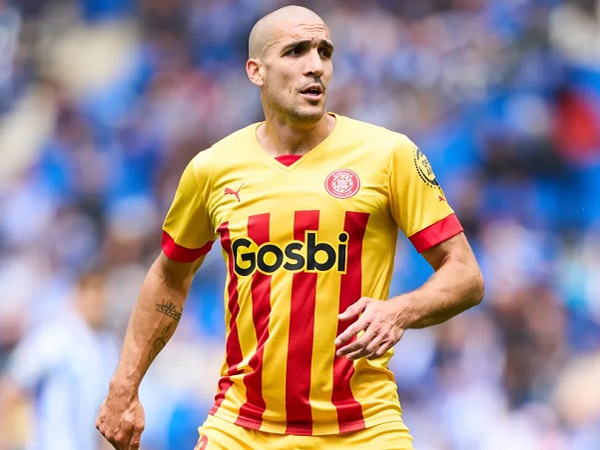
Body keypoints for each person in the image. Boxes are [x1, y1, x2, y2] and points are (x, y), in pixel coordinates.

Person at [96, 5, 485, 450]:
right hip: (241, 428)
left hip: (363, 428)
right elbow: (169, 276)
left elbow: (466, 274)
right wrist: (124, 386)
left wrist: (399, 310)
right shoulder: (212, 169)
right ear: (256, 70)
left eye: (324, 51)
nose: (315, 65)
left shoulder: (388, 155)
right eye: (296, 51)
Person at [0, 269, 119, 450]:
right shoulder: (54, 339)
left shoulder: (107, 347)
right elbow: (10, 388)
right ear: (78, 295)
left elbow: (107, 413)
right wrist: (5, 442)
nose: (98, 301)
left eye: (101, 294)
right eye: (92, 292)